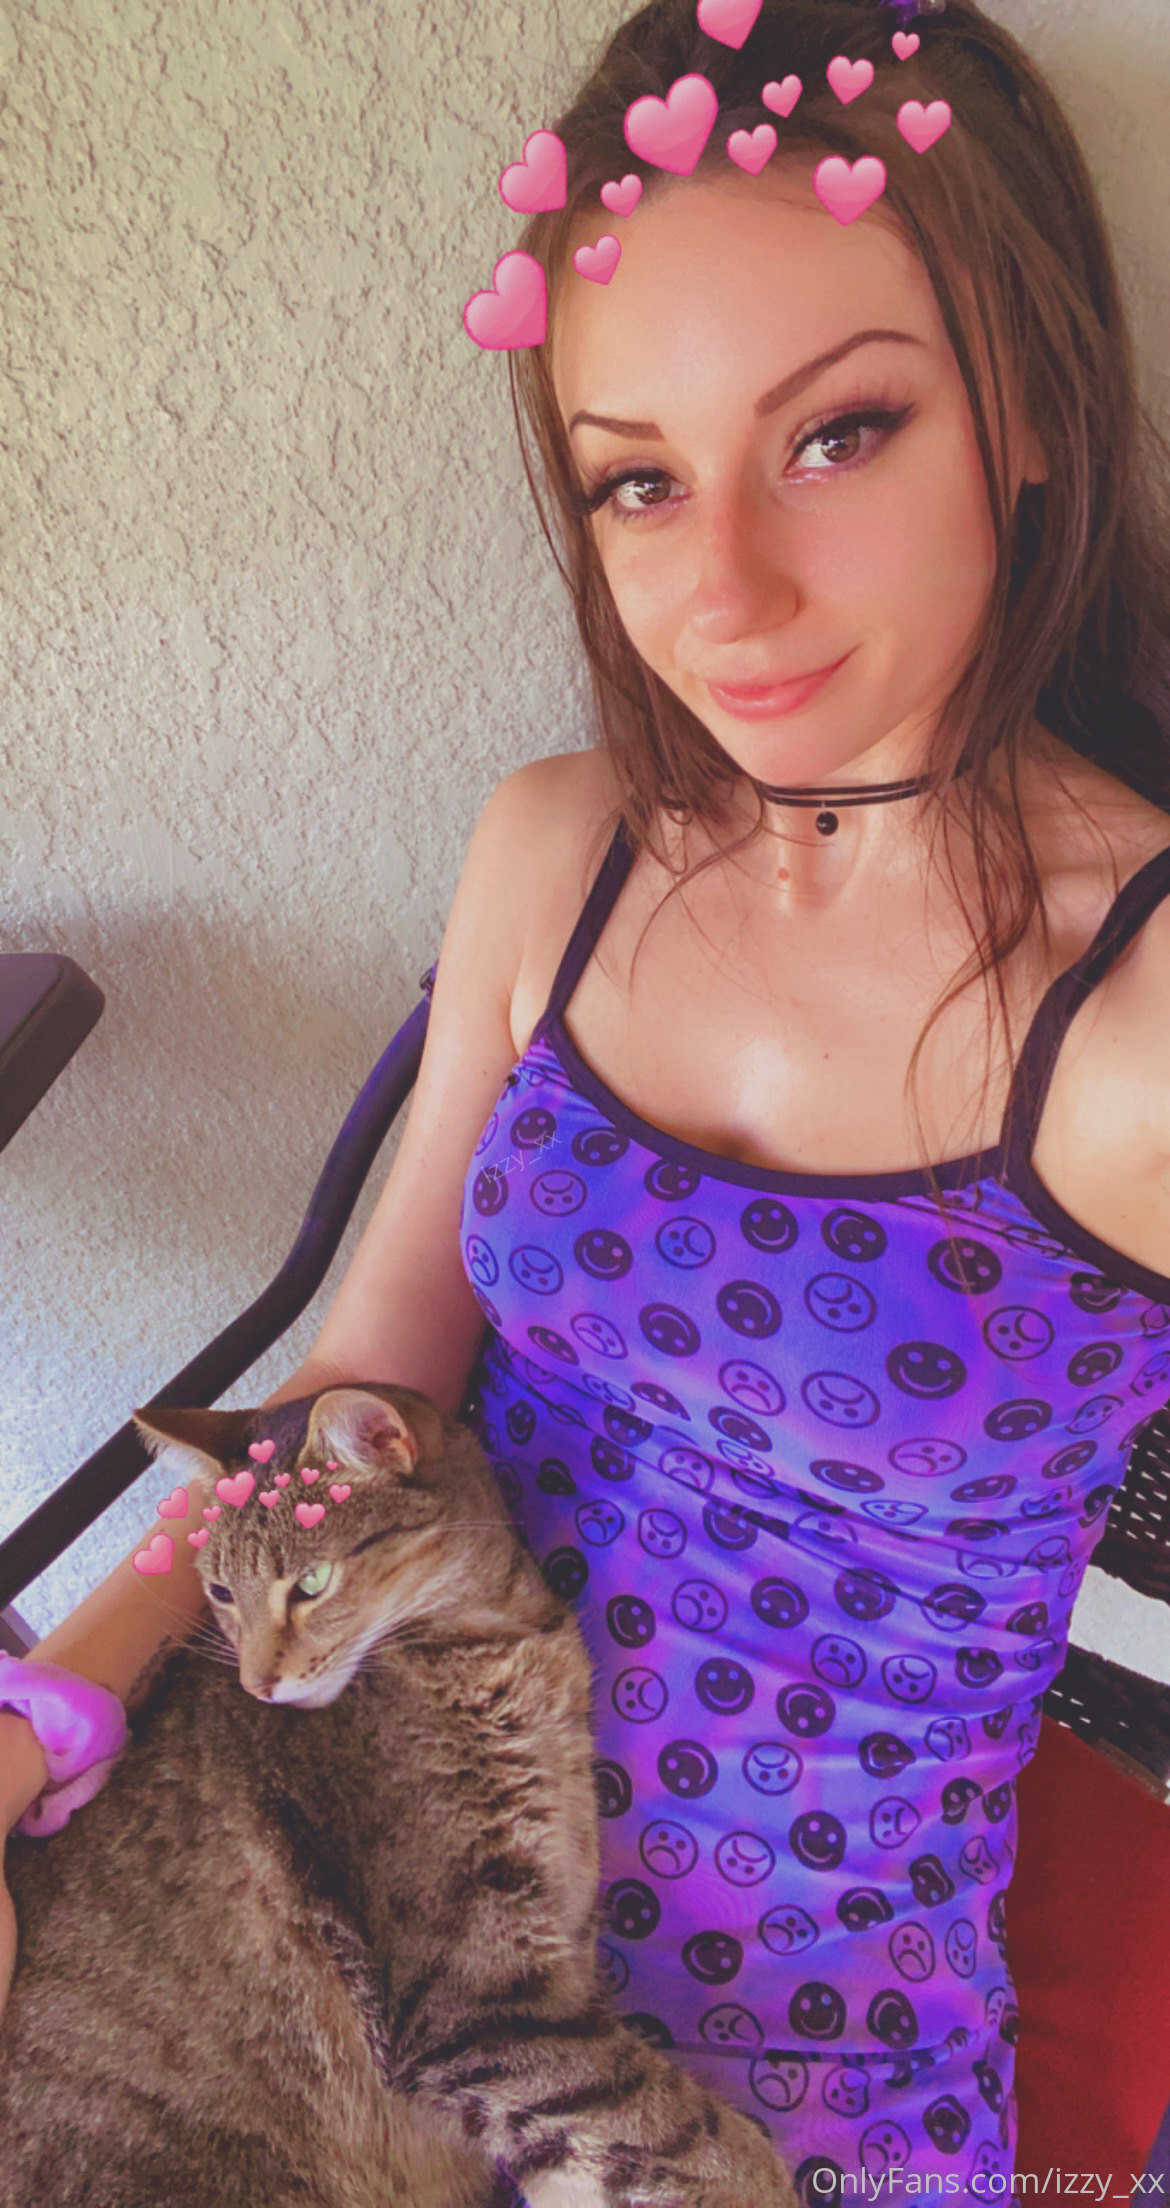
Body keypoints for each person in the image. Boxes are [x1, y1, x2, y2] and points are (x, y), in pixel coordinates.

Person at [4, 0, 1170, 2197]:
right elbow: (358, 1386)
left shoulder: (1146, 1013)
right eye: (637, 478)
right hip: (334, 1908)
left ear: (1027, 400)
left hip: (777, 2060)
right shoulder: (562, 848)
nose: (717, 593)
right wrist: (46, 1711)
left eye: (838, 435)